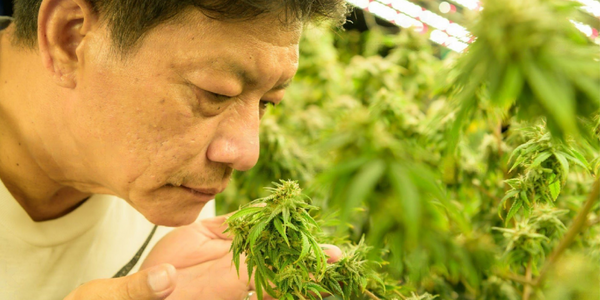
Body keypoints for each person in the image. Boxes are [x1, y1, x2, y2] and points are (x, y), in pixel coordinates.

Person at [0, 0, 347, 299]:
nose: (245, 153)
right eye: (216, 94)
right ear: (69, 37)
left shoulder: (176, 196)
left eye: (267, 103)